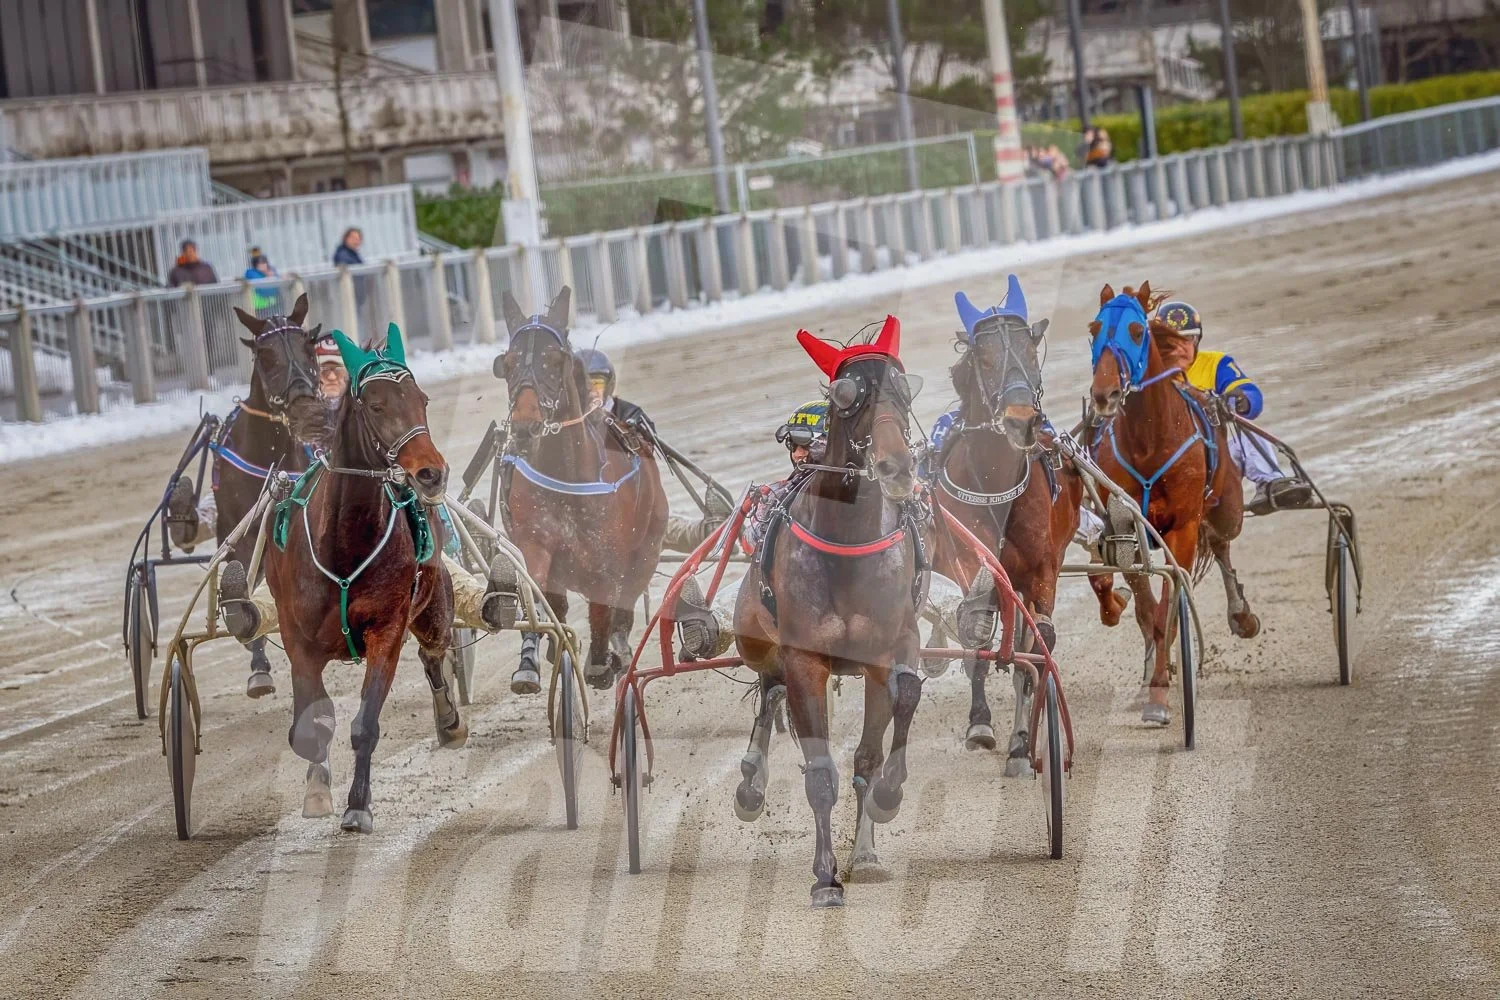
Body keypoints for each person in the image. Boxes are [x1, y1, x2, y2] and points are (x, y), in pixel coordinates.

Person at [1153, 300, 1312, 514]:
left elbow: (1251, 394)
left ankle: (1271, 484)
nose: (1181, 348)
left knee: (1248, 430)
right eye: (1172, 342)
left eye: (1188, 339)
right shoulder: (1145, 374)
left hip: (1212, 461)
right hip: (1160, 469)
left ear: (1198, 340)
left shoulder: (1216, 363)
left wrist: (1243, 400)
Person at [577, 348, 731, 551]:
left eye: (596, 383)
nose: (591, 391)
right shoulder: (569, 424)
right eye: (583, 384)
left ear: (608, 385)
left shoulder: (629, 414)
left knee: (654, 525)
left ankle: (709, 533)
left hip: (631, 503)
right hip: (584, 509)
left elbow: (647, 462)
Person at [244, 248, 279, 312]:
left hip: (273, 305)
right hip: (259, 307)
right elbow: (261, 288)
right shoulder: (251, 273)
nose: (263, 265)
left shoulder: (271, 270)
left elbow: (278, 285)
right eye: (260, 263)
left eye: (264, 263)